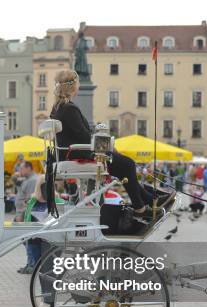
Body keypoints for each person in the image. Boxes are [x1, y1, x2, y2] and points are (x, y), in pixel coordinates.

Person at [49, 70, 171, 219]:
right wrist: (107, 145)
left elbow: (79, 135)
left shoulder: (57, 108)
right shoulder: (69, 108)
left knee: (123, 166)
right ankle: (141, 206)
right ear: (73, 86)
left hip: (71, 153)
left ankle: (149, 199)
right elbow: (85, 137)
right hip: (79, 153)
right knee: (128, 164)